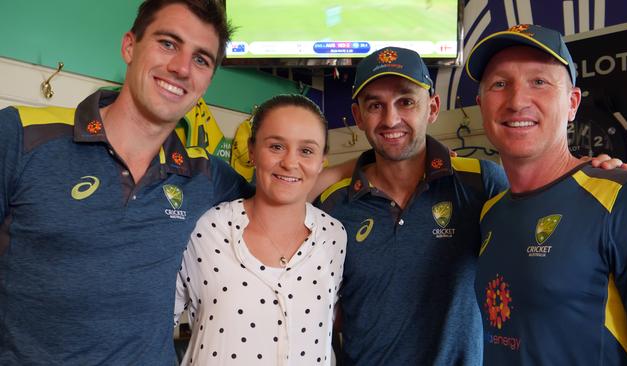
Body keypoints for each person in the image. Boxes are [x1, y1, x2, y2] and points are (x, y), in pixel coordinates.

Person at [0, 0, 252, 364]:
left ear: (208, 80)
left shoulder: (204, 175)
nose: (181, 67)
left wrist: (342, 170)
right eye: (168, 43)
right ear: (129, 46)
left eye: (201, 59)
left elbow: (278, 198)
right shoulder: (21, 135)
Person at [467, 24, 627, 364]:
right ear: (481, 105)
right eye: (500, 84)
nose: (517, 100)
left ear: (572, 103)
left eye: (539, 81)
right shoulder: (489, 212)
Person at [316, 46, 509, 365]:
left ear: (432, 108)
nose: (390, 119)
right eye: (375, 105)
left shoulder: (482, 183)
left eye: (405, 101)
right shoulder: (332, 204)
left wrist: (589, 169)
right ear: (358, 116)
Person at [174, 94, 346, 365]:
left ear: (322, 160)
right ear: (252, 150)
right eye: (276, 146)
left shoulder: (334, 237)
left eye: (307, 150)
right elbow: (150, 325)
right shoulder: (205, 230)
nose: (290, 162)